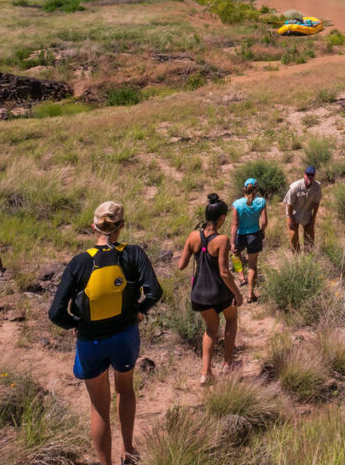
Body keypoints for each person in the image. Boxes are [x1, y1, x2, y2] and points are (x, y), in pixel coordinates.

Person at [48, 200, 161, 465]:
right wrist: (139, 310)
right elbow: (155, 291)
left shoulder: (79, 263)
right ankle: (129, 450)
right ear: (122, 226)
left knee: (99, 406)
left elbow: (55, 313)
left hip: (91, 340)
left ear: (93, 226)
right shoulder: (133, 254)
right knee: (125, 389)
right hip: (124, 334)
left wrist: (75, 324)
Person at [176, 193, 242, 385]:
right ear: (221, 218)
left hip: (199, 293)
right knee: (231, 319)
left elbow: (181, 265)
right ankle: (228, 364)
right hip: (219, 292)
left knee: (211, 330)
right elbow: (224, 272)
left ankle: (206, 373)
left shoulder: (193, 236)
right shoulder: (221, 240)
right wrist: (237, 294)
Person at [230, 178, 268, 302]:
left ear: (244, 189)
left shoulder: (237, 204)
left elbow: (235, 224)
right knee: (252, 266)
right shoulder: (261, 202)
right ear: (256, 189)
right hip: (255, 235)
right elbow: (264, 221)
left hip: (240, 236)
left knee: (235, 254)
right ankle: (250, 294)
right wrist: (262, 232)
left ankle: (241, 277)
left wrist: (232, 242)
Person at [283, 164, 322, 253]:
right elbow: (289, 204)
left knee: (310, 236)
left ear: (314, 176)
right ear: (304, 174)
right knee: (293, 236)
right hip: (293, 213)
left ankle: (308, 256)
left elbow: (317, 203)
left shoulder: (317, 187)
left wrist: (314, 218)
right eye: (308, 174)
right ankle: (296, 257)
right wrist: (291, 219)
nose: (309, 177)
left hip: (307, 213)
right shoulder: (295, 187)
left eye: (312, 175)